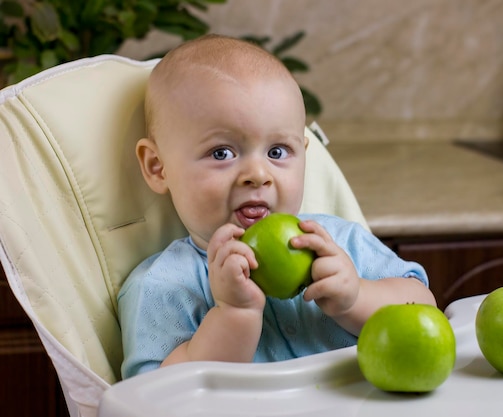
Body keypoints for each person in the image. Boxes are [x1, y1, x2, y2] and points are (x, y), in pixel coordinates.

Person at [117, 34, 436, 379]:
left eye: (277, 152)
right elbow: (155, 396)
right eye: (221, 153)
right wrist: (235, 315)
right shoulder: (164, 285)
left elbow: (424, 310)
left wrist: (357, 297)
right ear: (157, 166)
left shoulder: (339, 243)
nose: (258, 175)